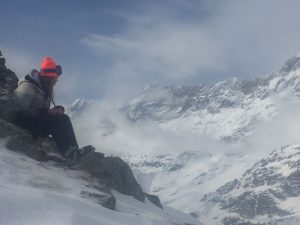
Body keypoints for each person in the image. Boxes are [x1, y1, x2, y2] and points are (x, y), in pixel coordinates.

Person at [13, 56, 94, 160]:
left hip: (35, 124)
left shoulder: (44, 90)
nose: (56, 82)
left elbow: (43, 112)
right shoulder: (28, 86)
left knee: (62, 118)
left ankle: (72, 150)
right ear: (48, 78)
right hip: (22, 124)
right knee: (60, 120)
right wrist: (48, 112)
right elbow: (18, 109)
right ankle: (70, 153)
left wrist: (55, 111)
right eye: (54, 79)